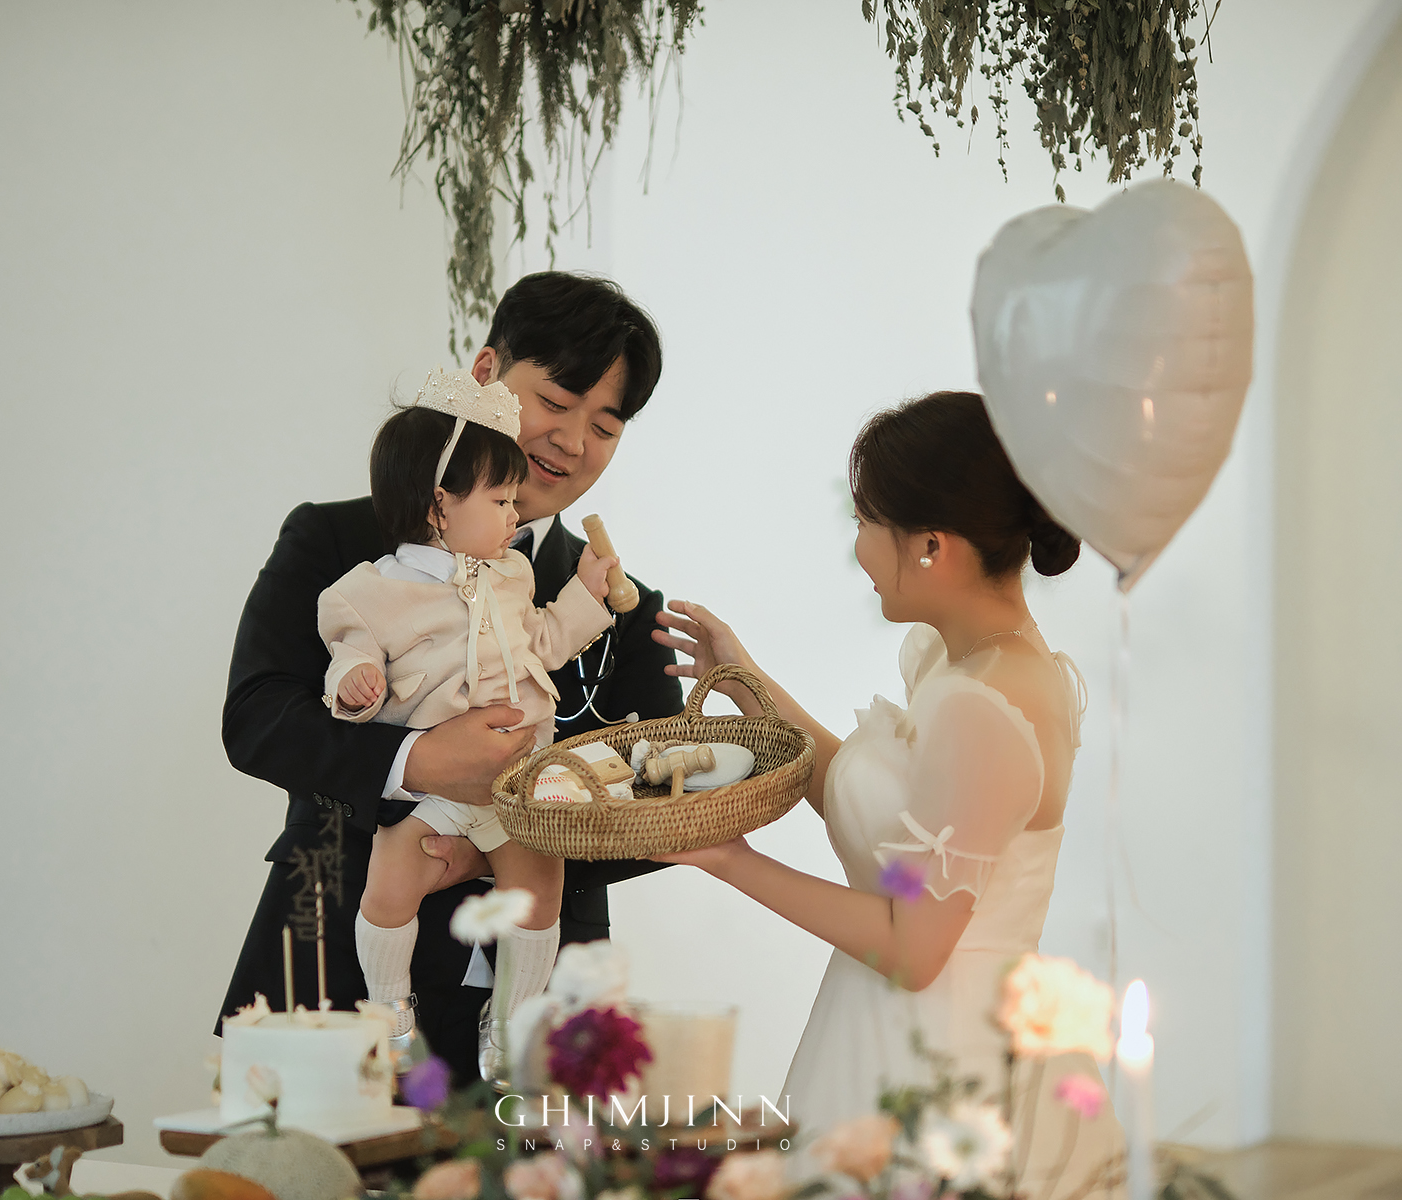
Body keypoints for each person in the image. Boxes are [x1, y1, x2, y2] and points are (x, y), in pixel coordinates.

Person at [651, 391, 1126, 1193]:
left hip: (943, 1061)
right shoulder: (970, 663)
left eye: (867, 521)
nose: (860, 548)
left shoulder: (987, 703)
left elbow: (914, 950)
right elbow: (887, 816)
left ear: (932, 544)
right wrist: (745, 681)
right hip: (891, 1028)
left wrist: (730, 860)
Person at [218, 272, 683, 1089]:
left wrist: (496, 847)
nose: (572, 441)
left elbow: (662, 805)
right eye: (556, 400)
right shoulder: (338, 541)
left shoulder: (616, 601)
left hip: (548, 1008)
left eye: (605, 426)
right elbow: (258, 716)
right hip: (331, 968)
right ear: (486, 371)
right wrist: (417, 762)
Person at [320, 367, 618, 1074]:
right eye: (502, 499)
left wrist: (585, 593)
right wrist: (354, 684)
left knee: (539, 888)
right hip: (436, 788)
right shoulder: (370, 590)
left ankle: (513, 1021)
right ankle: (389, 1011)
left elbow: (545, 641)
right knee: (390, 879)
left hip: (519, 781)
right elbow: (350, 651)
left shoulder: (513, 575)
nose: (516, 515)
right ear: (440, 506)